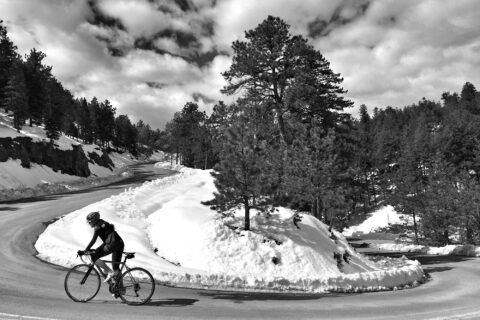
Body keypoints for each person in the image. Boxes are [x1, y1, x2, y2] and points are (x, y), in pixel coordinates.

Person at [79, 211, 125, 282]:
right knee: (116, 268)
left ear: (94, 220)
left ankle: (109, 272)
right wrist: (94, 250)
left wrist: (86, 250)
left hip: (113, 244)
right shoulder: (102, 223)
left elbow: (94, 240)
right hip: (119, 243)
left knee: (94, 256)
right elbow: (107, 241)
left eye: (90, 221)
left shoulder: (98, 226)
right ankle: (120, 289)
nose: (89, 223)